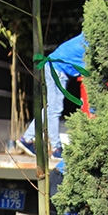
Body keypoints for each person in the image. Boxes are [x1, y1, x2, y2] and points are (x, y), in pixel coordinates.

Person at [18, 32, 86, 160]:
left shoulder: (83, 38)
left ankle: (26, 139)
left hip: (53, 67)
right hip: (57, 70)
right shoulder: (87, 46)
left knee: (50, 109)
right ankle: (56, 149)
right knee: (54, 109)